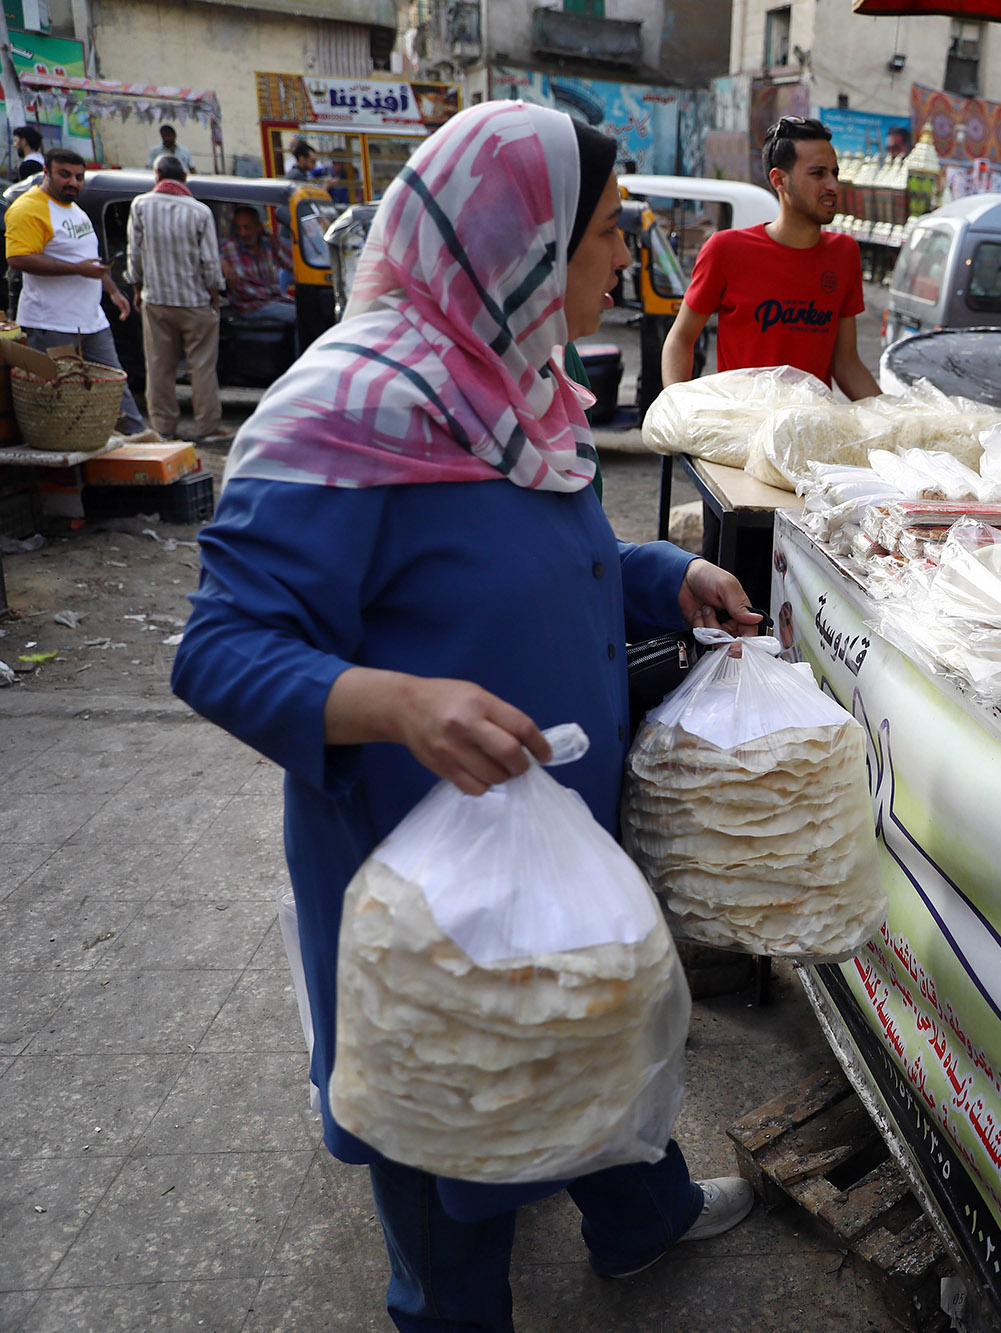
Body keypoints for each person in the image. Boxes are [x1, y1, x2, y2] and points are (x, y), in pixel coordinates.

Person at [168, 101, 760, 1331]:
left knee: (584, 1025)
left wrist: (662, 573)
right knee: (455, 1120)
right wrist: (401, 704)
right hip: (426, 872)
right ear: (522, 241)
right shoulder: (346, 405)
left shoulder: (515, 385)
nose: (624, 264)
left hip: (553, 835)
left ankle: (636, 1220)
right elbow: (219, 648)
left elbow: (555, 551)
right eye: (604, 233)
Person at [661, 116, 879, 398]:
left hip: (812, 433)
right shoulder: (726, 249)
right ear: (780, 180)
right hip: (742, 432)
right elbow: (680, 338)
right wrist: (677, 408)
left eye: (835, 174)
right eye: (818, 173)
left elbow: (846, 363)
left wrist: (897, 420)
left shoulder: (844, 253)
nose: (833, 186)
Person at [5, 146, 145, 434]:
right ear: (46, 173)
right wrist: (78, 270)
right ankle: (63, 462)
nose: (73, 183)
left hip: (91, 321)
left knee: (115, 384)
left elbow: (87, 259)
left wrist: (112, 290)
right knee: (56, 396)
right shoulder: (28, 208)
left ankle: (142, 441)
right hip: (51, 323)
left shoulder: (73, 208)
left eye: (79, 177)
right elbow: (18, 258)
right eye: (65, 175)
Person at [126, 153, 225, 442]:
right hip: (195, 303)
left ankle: (164, 428)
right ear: (184, 178)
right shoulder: (199, 211)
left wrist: (137, 288)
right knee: (203, 368)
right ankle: (208, 427)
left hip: (156, 300)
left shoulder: (140, 205)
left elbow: (135, 253)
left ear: (157, 176)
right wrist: (214, 295)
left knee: (158, 366)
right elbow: (210, 262)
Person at [220, 204, 295, 323]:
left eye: (246, 227)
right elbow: (208, 256)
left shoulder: (269, 243)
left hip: (276, 300)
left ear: (258, 227)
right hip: (250, 307)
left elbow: (293, 265)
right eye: (238, 228)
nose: (242, 233)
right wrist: (222, 262)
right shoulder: (228, 249)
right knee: (298, 315)